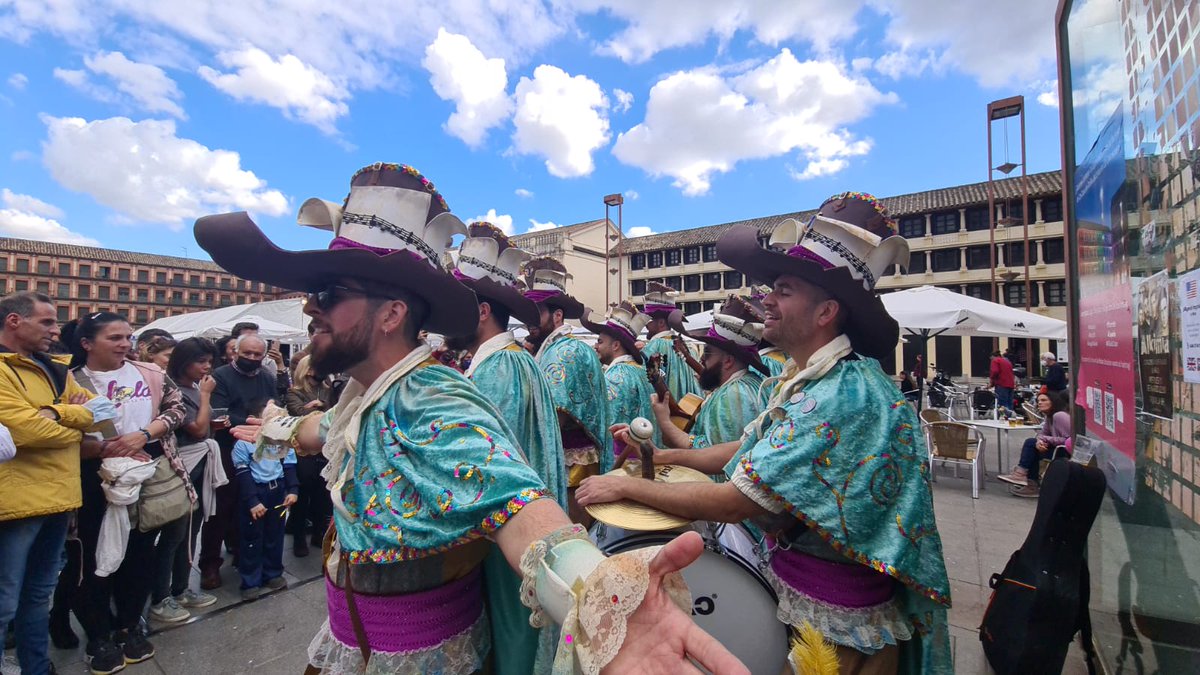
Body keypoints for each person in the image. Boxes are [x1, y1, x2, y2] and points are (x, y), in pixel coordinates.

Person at [194, 162, 741, 674]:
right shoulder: (370, 391)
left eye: (330, 292)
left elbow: (518, 505)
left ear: (391, 314)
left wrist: (599, 598)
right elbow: (330, 434)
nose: (311, 306)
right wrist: (283, 429)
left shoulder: (431, 398)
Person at [578, 192, 953, 673]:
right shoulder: (808, 378)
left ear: (825, 313)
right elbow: (747, 450)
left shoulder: (842, 392)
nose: (766, 302)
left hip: (839, 624)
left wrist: (629, 486)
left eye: (784, 290)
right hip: (804, 594)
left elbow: (742, 501)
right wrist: (664, 456)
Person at [446, 222, 569, 675]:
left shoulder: (498, 369)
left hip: (508, 543)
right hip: (520, 536)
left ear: (481, 312)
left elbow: (479, 470)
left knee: (514, 632)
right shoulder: (513, 359)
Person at [63, 311, 191, 675]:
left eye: (128, 337)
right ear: (87, 343)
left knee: (139, 555)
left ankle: (129, 624)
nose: (125, 344)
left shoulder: (148, 373)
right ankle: (98, 635)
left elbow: (177, 408)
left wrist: (144, 434)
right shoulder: (69, 381)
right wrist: (101, 449)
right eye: (115, 338)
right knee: (92, 560)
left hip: (144, 474)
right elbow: (57, 430)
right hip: (93, 481)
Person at [0, 293, 112, 675]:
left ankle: (36, 667)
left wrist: (57, 414)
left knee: (38, 597)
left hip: (61, 497)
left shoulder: (56, 368)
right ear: (15, 321)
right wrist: (74, 417)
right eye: (46, 322)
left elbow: (100, 416)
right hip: (15, 502)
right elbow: (24, 430)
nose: (55, 329)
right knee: (4, 602)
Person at [522, 257, 611, 525]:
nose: (529, 322)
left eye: (536, 312)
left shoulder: (565, 352)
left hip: (574, 469)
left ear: (557, 315)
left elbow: (554, 419)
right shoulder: (554, 348)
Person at [152, 337, 226, 623]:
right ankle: (160, 597)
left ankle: (181, 588)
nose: (206, 367)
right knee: (174, 534)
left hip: (199, 465)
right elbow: (196, 428)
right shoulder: (174, 389)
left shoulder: (193, 386)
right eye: (201, 361)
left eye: (209, 361)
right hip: (180, 466)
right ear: (184, 361)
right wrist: (206, 397)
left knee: (190, 531)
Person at [199, 333, 277, 590]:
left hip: (259, 447)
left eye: (258, 355)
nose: (253, 359)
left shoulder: (266, 376)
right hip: (228, 446)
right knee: (222, 505)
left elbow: (273, 406)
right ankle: (210, 563)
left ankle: (245, 554)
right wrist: (255, 422)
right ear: (235, 353)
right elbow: (220, 413)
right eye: (248, 354)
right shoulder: (221, 376)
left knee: (253, 502)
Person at [656, 295, 768, 451]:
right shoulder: (749, 383)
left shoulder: (733, 394)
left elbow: (713, 454)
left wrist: (664, 422)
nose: (701, 358)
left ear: (728, 360)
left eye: (707, 353)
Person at [231, 399, 297, 601]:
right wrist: (252, 500)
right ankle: (251, 580)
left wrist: (292, 489)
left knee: (275, 535)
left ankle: (273, 572)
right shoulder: (244, 443)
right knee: (252, 537)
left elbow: (289, 466)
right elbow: (242, 474)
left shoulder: (282, 440)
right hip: (257, 493)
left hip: (277, 490)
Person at [583, 302, 661, 449]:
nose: (595, 346)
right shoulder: (640, 370)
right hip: (643, 454)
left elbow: (607, 426)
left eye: (600, 342)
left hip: (622, 460)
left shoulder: (615, 377)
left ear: (616, 345)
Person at [282, 355, 332, 558]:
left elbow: (335, 411)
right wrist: (316, 408)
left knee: (322, 495)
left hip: (324, 448)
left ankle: (319, 534)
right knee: (302, 496)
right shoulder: (294, 392)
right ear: (307, 370)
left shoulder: (328, 391)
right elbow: (297, 412)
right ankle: (299, 538)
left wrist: (320, 407)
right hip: (302, 450)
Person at [998, 390, 1072, 498]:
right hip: (1055, 449)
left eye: (1044, 400)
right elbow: (1042, 435)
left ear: (1053, 402)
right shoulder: (1049, 417)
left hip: (1065, 452)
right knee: (1033, 446)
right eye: (1038, 401)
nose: (1039, 403)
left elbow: (1068, 440)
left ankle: (1023, 476)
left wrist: (1045, 439)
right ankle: (1028, 481)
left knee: (1030, 444)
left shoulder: (1059, 416)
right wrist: (1040, 442)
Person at [638, 281, 702, 403]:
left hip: (664, 415)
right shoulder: (690, 347)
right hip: (690, 413)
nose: (646, 324)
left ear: (661, 322)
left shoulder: (651, 348)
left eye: (649, 320)